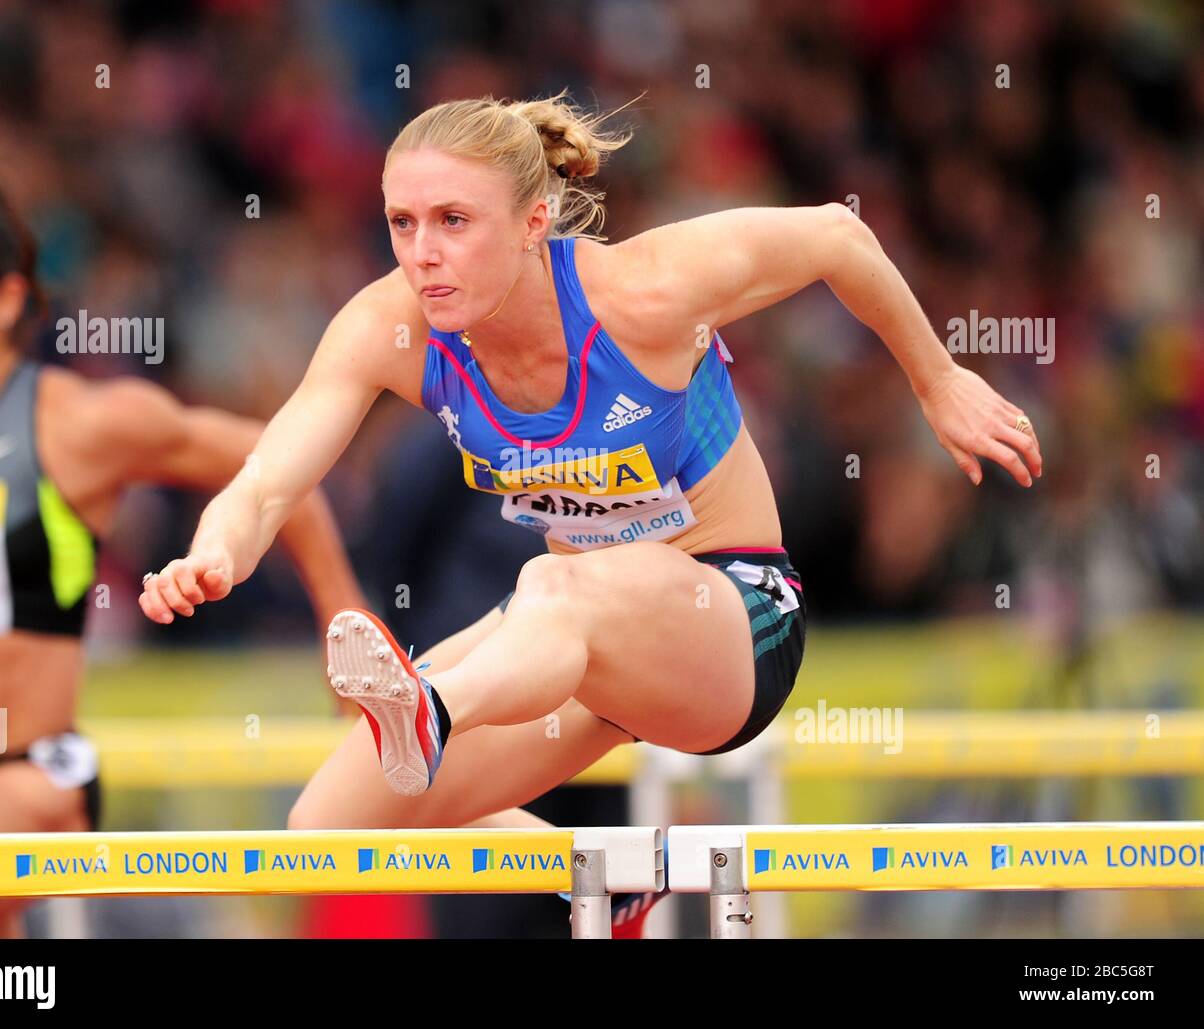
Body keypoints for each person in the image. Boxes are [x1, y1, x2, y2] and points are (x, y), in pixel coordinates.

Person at [140, 92, 1043, 937]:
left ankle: (434, 707)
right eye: (402, 224)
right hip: (578, 654)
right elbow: (267, 478)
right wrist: (211, 553)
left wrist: (938, 378)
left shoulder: (643, 292)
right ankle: (597, 874)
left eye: (454, 222)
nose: (422, 254)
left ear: (535, 222)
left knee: (551, 581)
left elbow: (836, 236)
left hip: (730, 622)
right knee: (328, 823)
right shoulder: (390, 328)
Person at [0, 169, 364, 937]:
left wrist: (339, 612)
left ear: (7, 299)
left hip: (28, 778)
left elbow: (277, 466)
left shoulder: (77, 424)